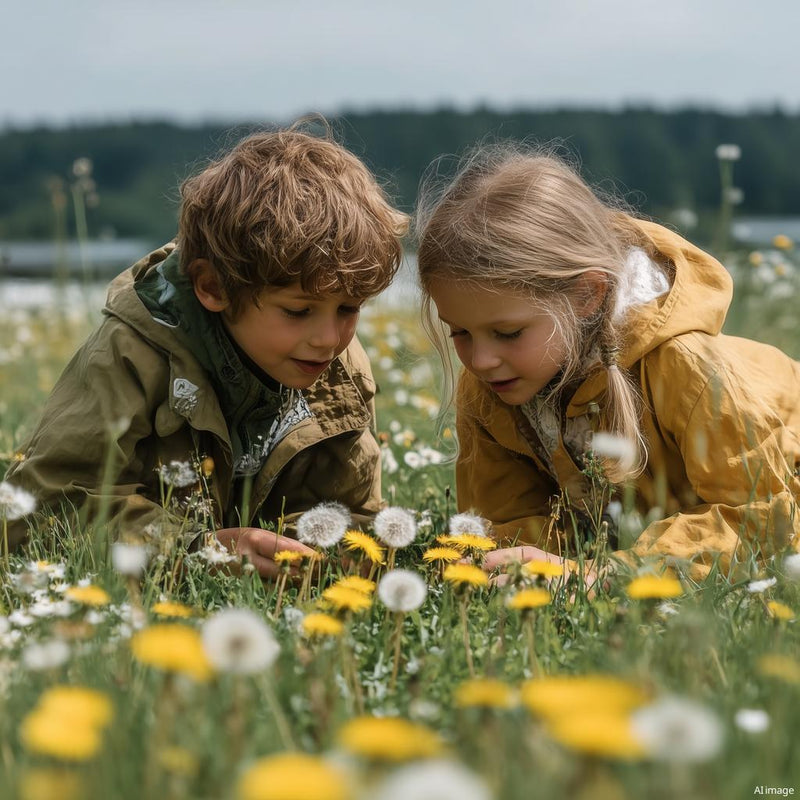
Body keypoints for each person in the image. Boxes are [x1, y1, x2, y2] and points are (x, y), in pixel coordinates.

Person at [5, 125, 408, 579]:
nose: (330, 338)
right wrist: (199, 549)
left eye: (349, 308)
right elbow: (41, 509)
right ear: (213, 287)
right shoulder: (131, 355)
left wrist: (316, 548)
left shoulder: (339, 364)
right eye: (298, 311)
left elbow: (354, 510)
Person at [416, 144, 800, 582]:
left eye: (508, 333)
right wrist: (495, 563)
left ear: (587, 296)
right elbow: (512, 521)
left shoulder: (687, 366)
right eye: (459, 333)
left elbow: (758, 518)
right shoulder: (491, 383)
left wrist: (606, 575)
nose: (480, 361)